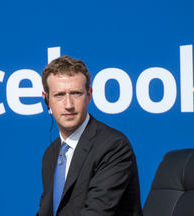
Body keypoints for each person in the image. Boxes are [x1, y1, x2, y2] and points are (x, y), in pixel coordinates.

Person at [37, 56, 143, 216]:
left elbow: (96, 212)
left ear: (89, 95)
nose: (68, 105)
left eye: (76, 93)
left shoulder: (113, 147)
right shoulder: (51, 153)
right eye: (59, 95)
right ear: (47, 100)